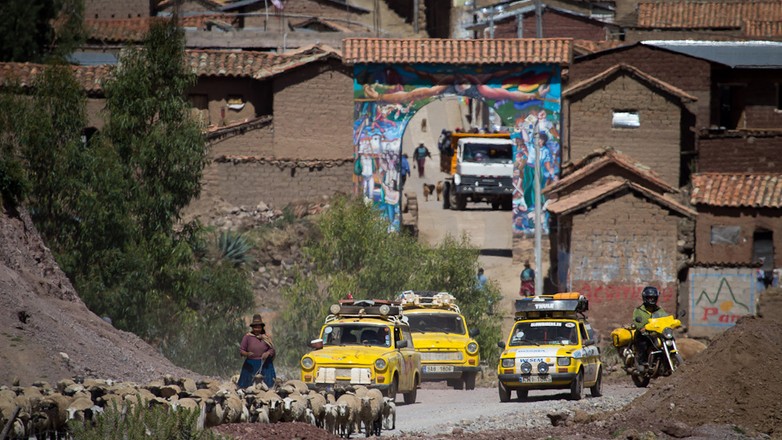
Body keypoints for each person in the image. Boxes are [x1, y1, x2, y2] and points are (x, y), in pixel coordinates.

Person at [632, 286, 668, 370]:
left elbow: (666, 318)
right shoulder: (639, 310)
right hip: (644, 334)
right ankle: (641, 361)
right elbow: (636, 321)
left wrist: (672, 323)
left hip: (657, 334)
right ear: (645, 298)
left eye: (653, 298)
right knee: (643, 343)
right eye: (649, 298)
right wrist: (641, 327)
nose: (651, 300)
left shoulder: (659, 310)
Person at [237, 314, 276, 389]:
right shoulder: (247, 337)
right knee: (246, 387)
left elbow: (272, 349)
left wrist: (267, 353)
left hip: (265, 364)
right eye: (255, 327)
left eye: (259, 327)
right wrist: (247, 354)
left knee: (269, 386)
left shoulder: (266, 337)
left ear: (262, 327)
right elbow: (242, 350)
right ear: (252, 328)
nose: (257, 329)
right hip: (251, 365)